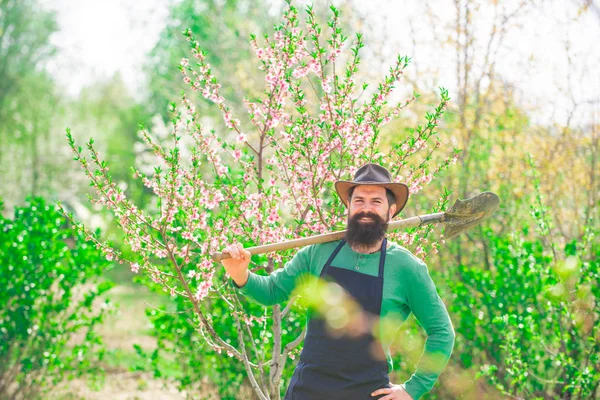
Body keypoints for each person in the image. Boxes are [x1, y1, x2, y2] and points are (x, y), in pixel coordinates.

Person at [221, 163, 455, 400]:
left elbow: (441, 330)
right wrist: (241, 274)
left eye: (376, 202)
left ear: (391, 211)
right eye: (359, 201)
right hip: (308, 391)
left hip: (368, 393)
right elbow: (271, 291)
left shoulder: (407, 268)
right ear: (349, 206)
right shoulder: (319, 252)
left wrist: (413, 389)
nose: (366, 209)